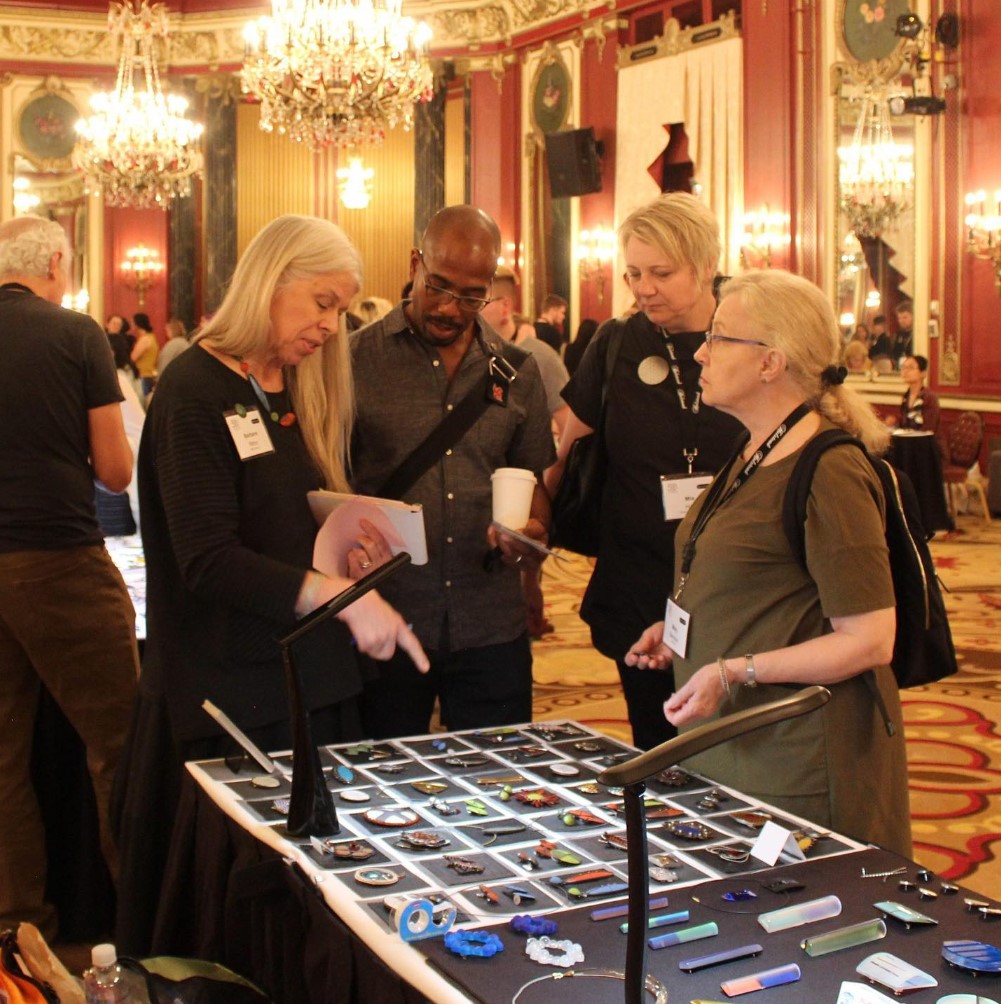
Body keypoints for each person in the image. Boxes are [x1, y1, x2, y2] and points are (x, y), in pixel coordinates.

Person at [113, 214, 428, 954]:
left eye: (342, 309)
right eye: (321, 302)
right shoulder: (194, 388)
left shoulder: (286, 386)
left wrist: (345, 556)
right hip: (228, 694)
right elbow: (208, 560)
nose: (331, 325)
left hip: (304, 684)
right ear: (271, 280)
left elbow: (282, 523)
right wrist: (339, 600)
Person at [626, 269, 911, 856]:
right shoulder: (756, 445)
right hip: (740, 743)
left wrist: (733, 670)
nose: (702, 350)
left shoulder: (829, 469)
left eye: (720, 336)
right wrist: (687, 628)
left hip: (800, 763)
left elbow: (869, 639)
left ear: (770, 363)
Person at [350, 205, 555, 739]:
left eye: (471, 296)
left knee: (500, 788)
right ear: (416, 263)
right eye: (438, 286)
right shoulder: (355, 361)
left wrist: (530, 545)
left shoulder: (517, 371)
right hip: (385, 619)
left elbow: (533, 486)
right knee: (379, 791)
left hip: (490, 622)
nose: (449, 307)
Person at [546, 192, 742, 750]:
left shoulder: (752, 337)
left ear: (707, 265)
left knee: (738, 746)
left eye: (661, 272)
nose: (642, 287)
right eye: (633, 272)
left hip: (736, 582)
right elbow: (569, 451)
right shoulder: (615, 344)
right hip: (639, 580)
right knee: (657, 740)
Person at [0, 215, 140, 939]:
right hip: (56, 557)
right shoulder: (76, 333)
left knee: (1, 758)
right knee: (121, 742)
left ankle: (19, 929)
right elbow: (116, 472)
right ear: (56, 262)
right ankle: (141, 920)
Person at [480, 266, 569, 639]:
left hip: (530, 488)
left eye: (477, 300)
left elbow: (568, 428)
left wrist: (545, 490)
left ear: (503, 306)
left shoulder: (537, 357)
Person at [896, 354, 940, 432]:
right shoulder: (906, 396)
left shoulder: (929, 397)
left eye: (911, 368)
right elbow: (903, 425)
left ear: (923, 373)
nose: (905, 371)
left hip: (925, 442)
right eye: (904, 367)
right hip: (907, 440)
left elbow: (929, 428)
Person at [130, 312, 159, 396]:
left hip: (143, 375)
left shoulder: (144, 339)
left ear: (137, 323)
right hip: (150, 374)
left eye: (132, 322)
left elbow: (132, 357)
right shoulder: (151, 336)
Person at [891, 300, 914, 368]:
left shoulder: (918, 334)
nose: (901, 321)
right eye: (899, 318)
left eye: (905, 317)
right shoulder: (898, 334)